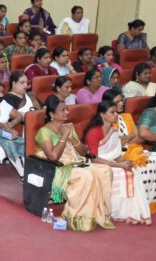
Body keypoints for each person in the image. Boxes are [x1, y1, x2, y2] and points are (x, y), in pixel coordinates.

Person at [34, 97, 115, 231]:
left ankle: (100, 214)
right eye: (63, 110)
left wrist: (71, 137)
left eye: (67, 109)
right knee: (86, 176)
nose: (67, 112)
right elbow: (53, 156)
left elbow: (83, 152)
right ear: (51, 114)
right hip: (57, 168)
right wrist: (64, 137)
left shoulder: (68, 128)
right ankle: (78, 218)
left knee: (105, 170)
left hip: (75, 163)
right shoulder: (44, 132)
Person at [83, 102, 151, 225]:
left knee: (133, 171)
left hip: (111, 162)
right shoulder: (94, 131)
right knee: (122, 173)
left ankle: (130, 212)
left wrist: (125, 162)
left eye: (116, 112)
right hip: (96, 164)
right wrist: (119, 165)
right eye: (112, 112)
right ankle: (116, 211)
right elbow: (93, 158)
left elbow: (116, 154)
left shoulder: (114, 130)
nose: (116, 114)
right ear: (102, 114)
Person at [107, 88, 156, 213]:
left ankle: (151, 201)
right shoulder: (106, 118)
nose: (121, 103)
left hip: (132, 148)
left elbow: (139, 137)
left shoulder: (127, 116)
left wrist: (126, 139)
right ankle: (139, 202)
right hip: (115, 153)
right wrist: (129, 137)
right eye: (117, 102)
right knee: (141, 166)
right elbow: (113, 142)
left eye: (122, 100)